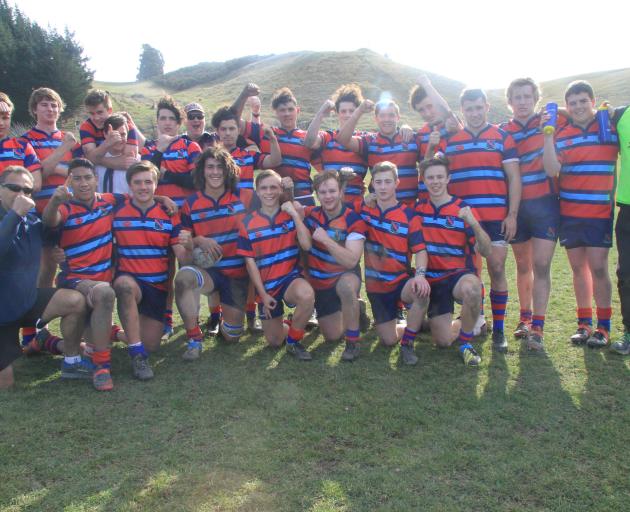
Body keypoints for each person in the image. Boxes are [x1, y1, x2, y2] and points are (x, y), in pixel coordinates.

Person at [442, 88, 521, 351]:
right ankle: (477, 320)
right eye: (469, 109)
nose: (474, 113)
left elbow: (514, 178)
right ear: (462, 110)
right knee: (470, 273)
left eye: (478, 107)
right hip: (462, 221)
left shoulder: (502, 137)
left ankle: (499, 330)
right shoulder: (452, 141)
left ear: (487, 107)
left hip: (495, 218)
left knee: (497, 269)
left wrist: (512, 214)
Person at [543, 80, 618, 348]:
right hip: (570, 212)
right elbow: (552, 169)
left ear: (593, 102)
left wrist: (611, 112)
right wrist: (548, 135)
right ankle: (584, 324)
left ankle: (604, 327)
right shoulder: (562, 133)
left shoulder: (608, 127)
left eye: (583, 101)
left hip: (599, 212)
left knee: (598, 268)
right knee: (578, 269)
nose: (578, 107)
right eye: (572, 103)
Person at [0, 166, 89, 389]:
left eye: (28, 191)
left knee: (75, 300)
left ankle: (71, 361)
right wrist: (14, 214)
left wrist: (57, 201)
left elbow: (54, 230)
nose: (21, 194)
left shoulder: (31, 221)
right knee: (6, 383)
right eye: (14, 188)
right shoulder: (16, 216)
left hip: (26, 302)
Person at [112, 161, 189, 380]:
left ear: (156, 185)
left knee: (152, 344)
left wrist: (193, 246)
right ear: (129, 186)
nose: (143, 187)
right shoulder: (116, 209)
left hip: (156, 286)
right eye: (137, 182)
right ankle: (137, 355)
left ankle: (116, 333)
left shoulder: (168, 213)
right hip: (130, 279)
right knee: (125, 287)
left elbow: (182, 256)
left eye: (148, 182)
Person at [500, 78, 561, 350]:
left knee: (542, 265)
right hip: (517, 208)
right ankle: (524, 318)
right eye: (517, 97)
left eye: (527, 96)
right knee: (523, 265)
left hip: (545, 205)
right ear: (509, 102)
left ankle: (538, 326)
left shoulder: (549, 123)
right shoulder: (504, 130)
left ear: (535, 98)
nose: (522, 102)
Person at [175, 146, 249, 360]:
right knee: (184, 278)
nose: (215, 172)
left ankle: (225, 317)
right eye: (210, 167)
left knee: (232, 337)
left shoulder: (244, 198)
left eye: (220, 167)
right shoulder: (190, 205)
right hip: (210, 273)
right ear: (202, 171)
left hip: (237, 275)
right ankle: (193, 338)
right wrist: (199, 240)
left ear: (228, 171)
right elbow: (186, 253)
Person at [415, 156, 491, 365]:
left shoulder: (462, 208)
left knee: (473, 289)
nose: (435, 181)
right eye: (431, 177)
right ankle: (463, 322)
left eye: (440, 176)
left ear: (449, 178)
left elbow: (486, 250)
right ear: (424, 180)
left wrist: (474, 223)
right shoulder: (418, 209)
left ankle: (466, 343)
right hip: (432, 279)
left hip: (458, 275)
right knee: (443, 341)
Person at [237, 170, 315, 360]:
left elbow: (306, 244)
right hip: (267, 287)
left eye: (274, 187)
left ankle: (294, 342)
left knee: (307, 295)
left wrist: (296, 216)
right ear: (257, 191)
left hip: (289, 279)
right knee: (274, 341)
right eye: (264, 188)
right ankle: (289, 325)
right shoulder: (247, 222)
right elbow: (250, 264)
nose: (269, 192)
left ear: (281, 189)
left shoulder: (289, 216)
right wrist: (262, 295)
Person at [142, 96, 201, 337]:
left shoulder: (190, 147)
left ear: (179, 123)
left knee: (186, 266)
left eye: (172, 119)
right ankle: (166, 320)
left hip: (183, 217)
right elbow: (143, 184)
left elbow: (195, 180)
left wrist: (169, 176)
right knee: (163, 270)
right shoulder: (149, 148)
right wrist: (160, 152)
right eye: (163, 118)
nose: (167, 123)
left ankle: (193, 321)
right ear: (157, 121)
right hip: (156, 217)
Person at [360, 161, 430, 365]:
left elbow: (421, 250)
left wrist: (420, 276)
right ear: (372, 183)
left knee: (421, 293)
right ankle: (416, 324)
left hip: (400, 281)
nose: (382, 187)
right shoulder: (364, 210)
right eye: (378, 182)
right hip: (376, 287)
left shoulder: (409, 215)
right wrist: (365, 201)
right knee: (388, 340)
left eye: (387, 182)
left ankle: (408, 343)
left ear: (397, 183)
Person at [302, 171, 367, 361]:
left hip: (344, 274)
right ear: (317, 194)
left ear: (340, 192)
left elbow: (351, 261)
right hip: (320, 282)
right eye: (323, 192)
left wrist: (327, 240)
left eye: (332, 191)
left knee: (346, 288)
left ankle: (353, 343)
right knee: (332, 336)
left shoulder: (353, 219)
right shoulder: (311, 214)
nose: (328, 196)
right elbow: (296, 209)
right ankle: (355, 309)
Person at [234, 84, 319, 205]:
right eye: (282, 110)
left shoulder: (308, 138)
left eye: (290, 109)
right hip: (274, 200)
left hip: (304, 199)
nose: (287, 114)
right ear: (276, 113)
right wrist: (244, 95)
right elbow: (234, 121)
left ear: (297, 111)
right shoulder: (265, 132)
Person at [336, 98, 421, 206]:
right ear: (376, 118)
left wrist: (407, 127)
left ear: (398, 117)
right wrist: (359, 111)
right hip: (380, 210)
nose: (387, 119)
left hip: (410, 208)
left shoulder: (412, 138)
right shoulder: (369, 141)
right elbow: (343, 139)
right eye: (382, 115)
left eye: (391, 115)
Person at [304, 84, 369, 208]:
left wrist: (405, 128)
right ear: (337, 113)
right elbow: (309, 142)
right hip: (330, 210)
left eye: (352, 111)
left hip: (357, 210)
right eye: (343, 111)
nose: (348, 115)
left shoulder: (364, 139)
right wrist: (320, 114)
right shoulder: (328, 137)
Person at [79, 89, 143, 174]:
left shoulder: (125, 125)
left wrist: (95, 159)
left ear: (109, 110)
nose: (96, 118)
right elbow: (90, 159)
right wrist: (107, 143)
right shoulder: (86, 127)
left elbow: (128, 161)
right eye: (92, 113)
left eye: (100, 112)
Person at [611, 102, 630, 354]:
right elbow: (585, 110)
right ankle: (629, 332)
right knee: (626, 274)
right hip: (627, 208)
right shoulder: (620, 115)